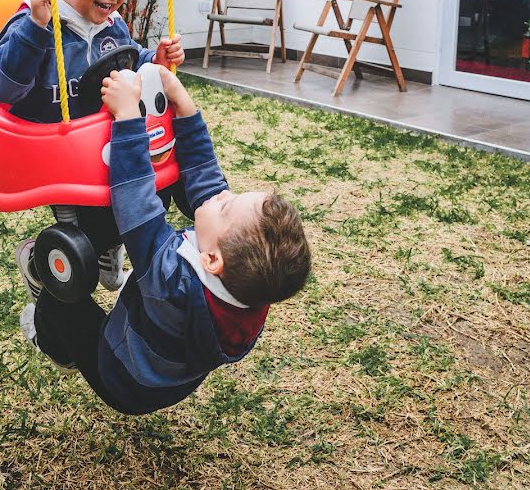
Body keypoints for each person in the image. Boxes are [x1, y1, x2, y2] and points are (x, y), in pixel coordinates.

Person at [19, 66, 312, 415]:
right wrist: (184, 105)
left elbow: (135, 202)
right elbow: (207, 181)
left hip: (119, 375)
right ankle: (116, 288)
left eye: (226, 203)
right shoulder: (250, 289)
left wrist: (128, 117)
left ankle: (52, 343)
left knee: (61, 300)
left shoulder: (171, 280)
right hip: (168, 380)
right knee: (147, 281)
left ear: (212, 260)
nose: (220, 195)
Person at [0, 0, 185, 293]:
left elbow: (127, 57)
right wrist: (37, 30)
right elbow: (1, 88)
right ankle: (40, 264)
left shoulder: (110, 24)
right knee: (88, 223)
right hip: (56, 151)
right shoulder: (34, 23)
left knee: (149, 194)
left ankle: (108, 250)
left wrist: (154, 59)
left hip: (101, 141)